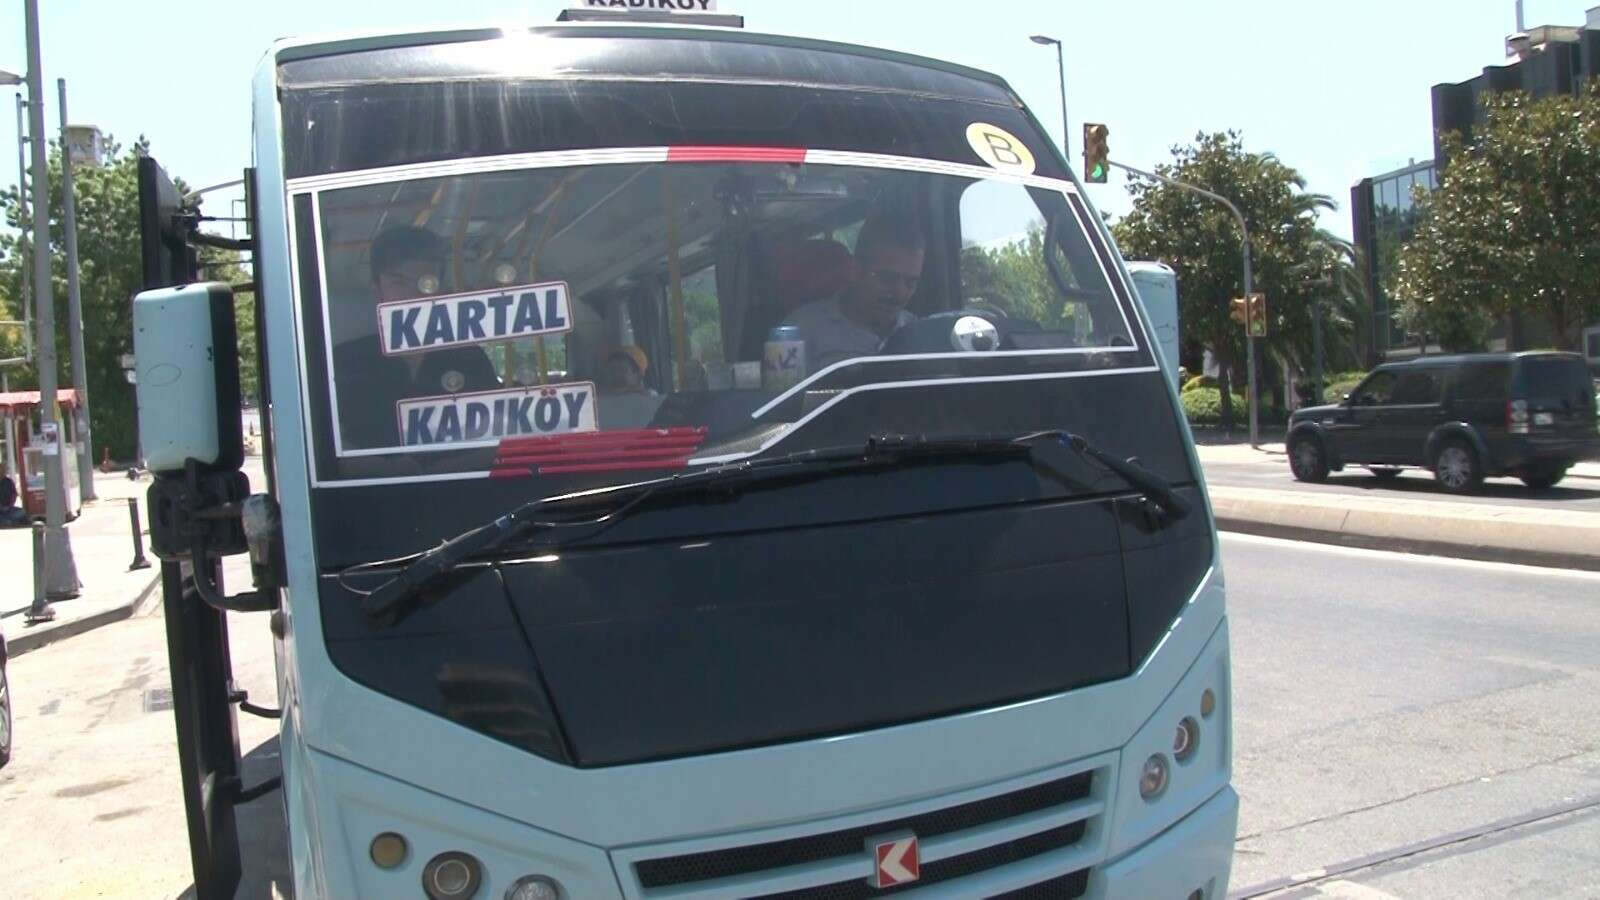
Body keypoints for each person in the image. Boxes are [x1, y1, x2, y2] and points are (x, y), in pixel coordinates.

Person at [333, 226, 500, 450]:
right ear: (377, 291)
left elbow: (495, 438)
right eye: (399, 282)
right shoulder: (345, 362)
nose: (412, 295)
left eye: (426, 284)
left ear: (439, 291)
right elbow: (325, 442)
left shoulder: (470, 358)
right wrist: (375, 466)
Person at [782, 214, 925, 370]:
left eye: (911, 282)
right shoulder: (798, 332)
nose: (900, 292)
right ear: (855, 271)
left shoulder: (918, 332)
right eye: (887, 278)